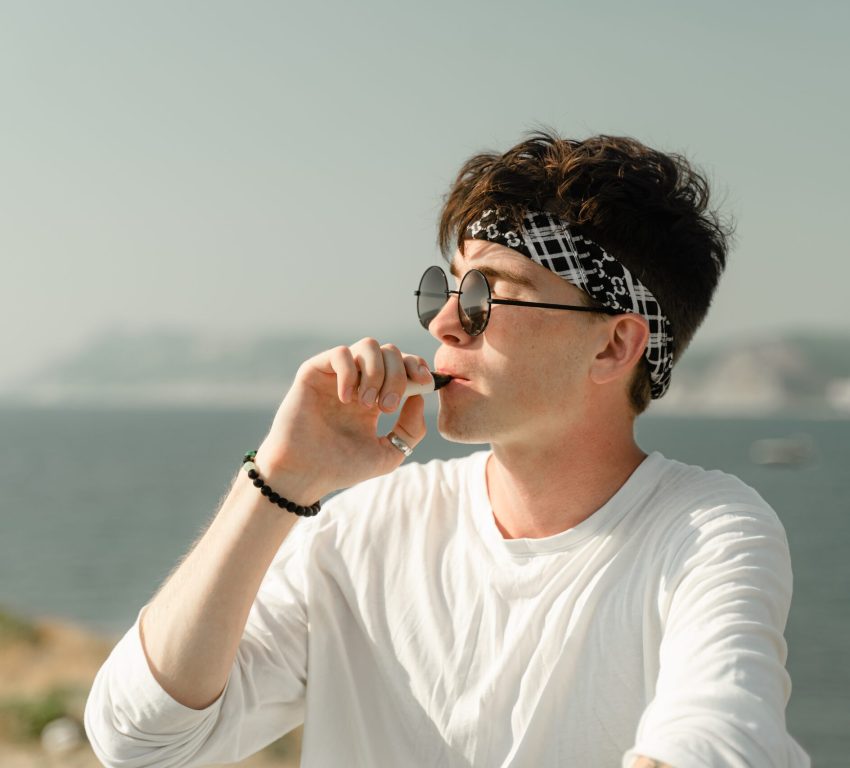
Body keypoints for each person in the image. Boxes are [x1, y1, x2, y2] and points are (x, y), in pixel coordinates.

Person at [85, 132, 809, 767]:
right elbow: (139, 739)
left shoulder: (705, 532)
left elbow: (720, 731)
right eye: (448, 291)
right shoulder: (367, 530)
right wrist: (280, 480)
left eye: (487, 296)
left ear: (614, 343)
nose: (446, 325)